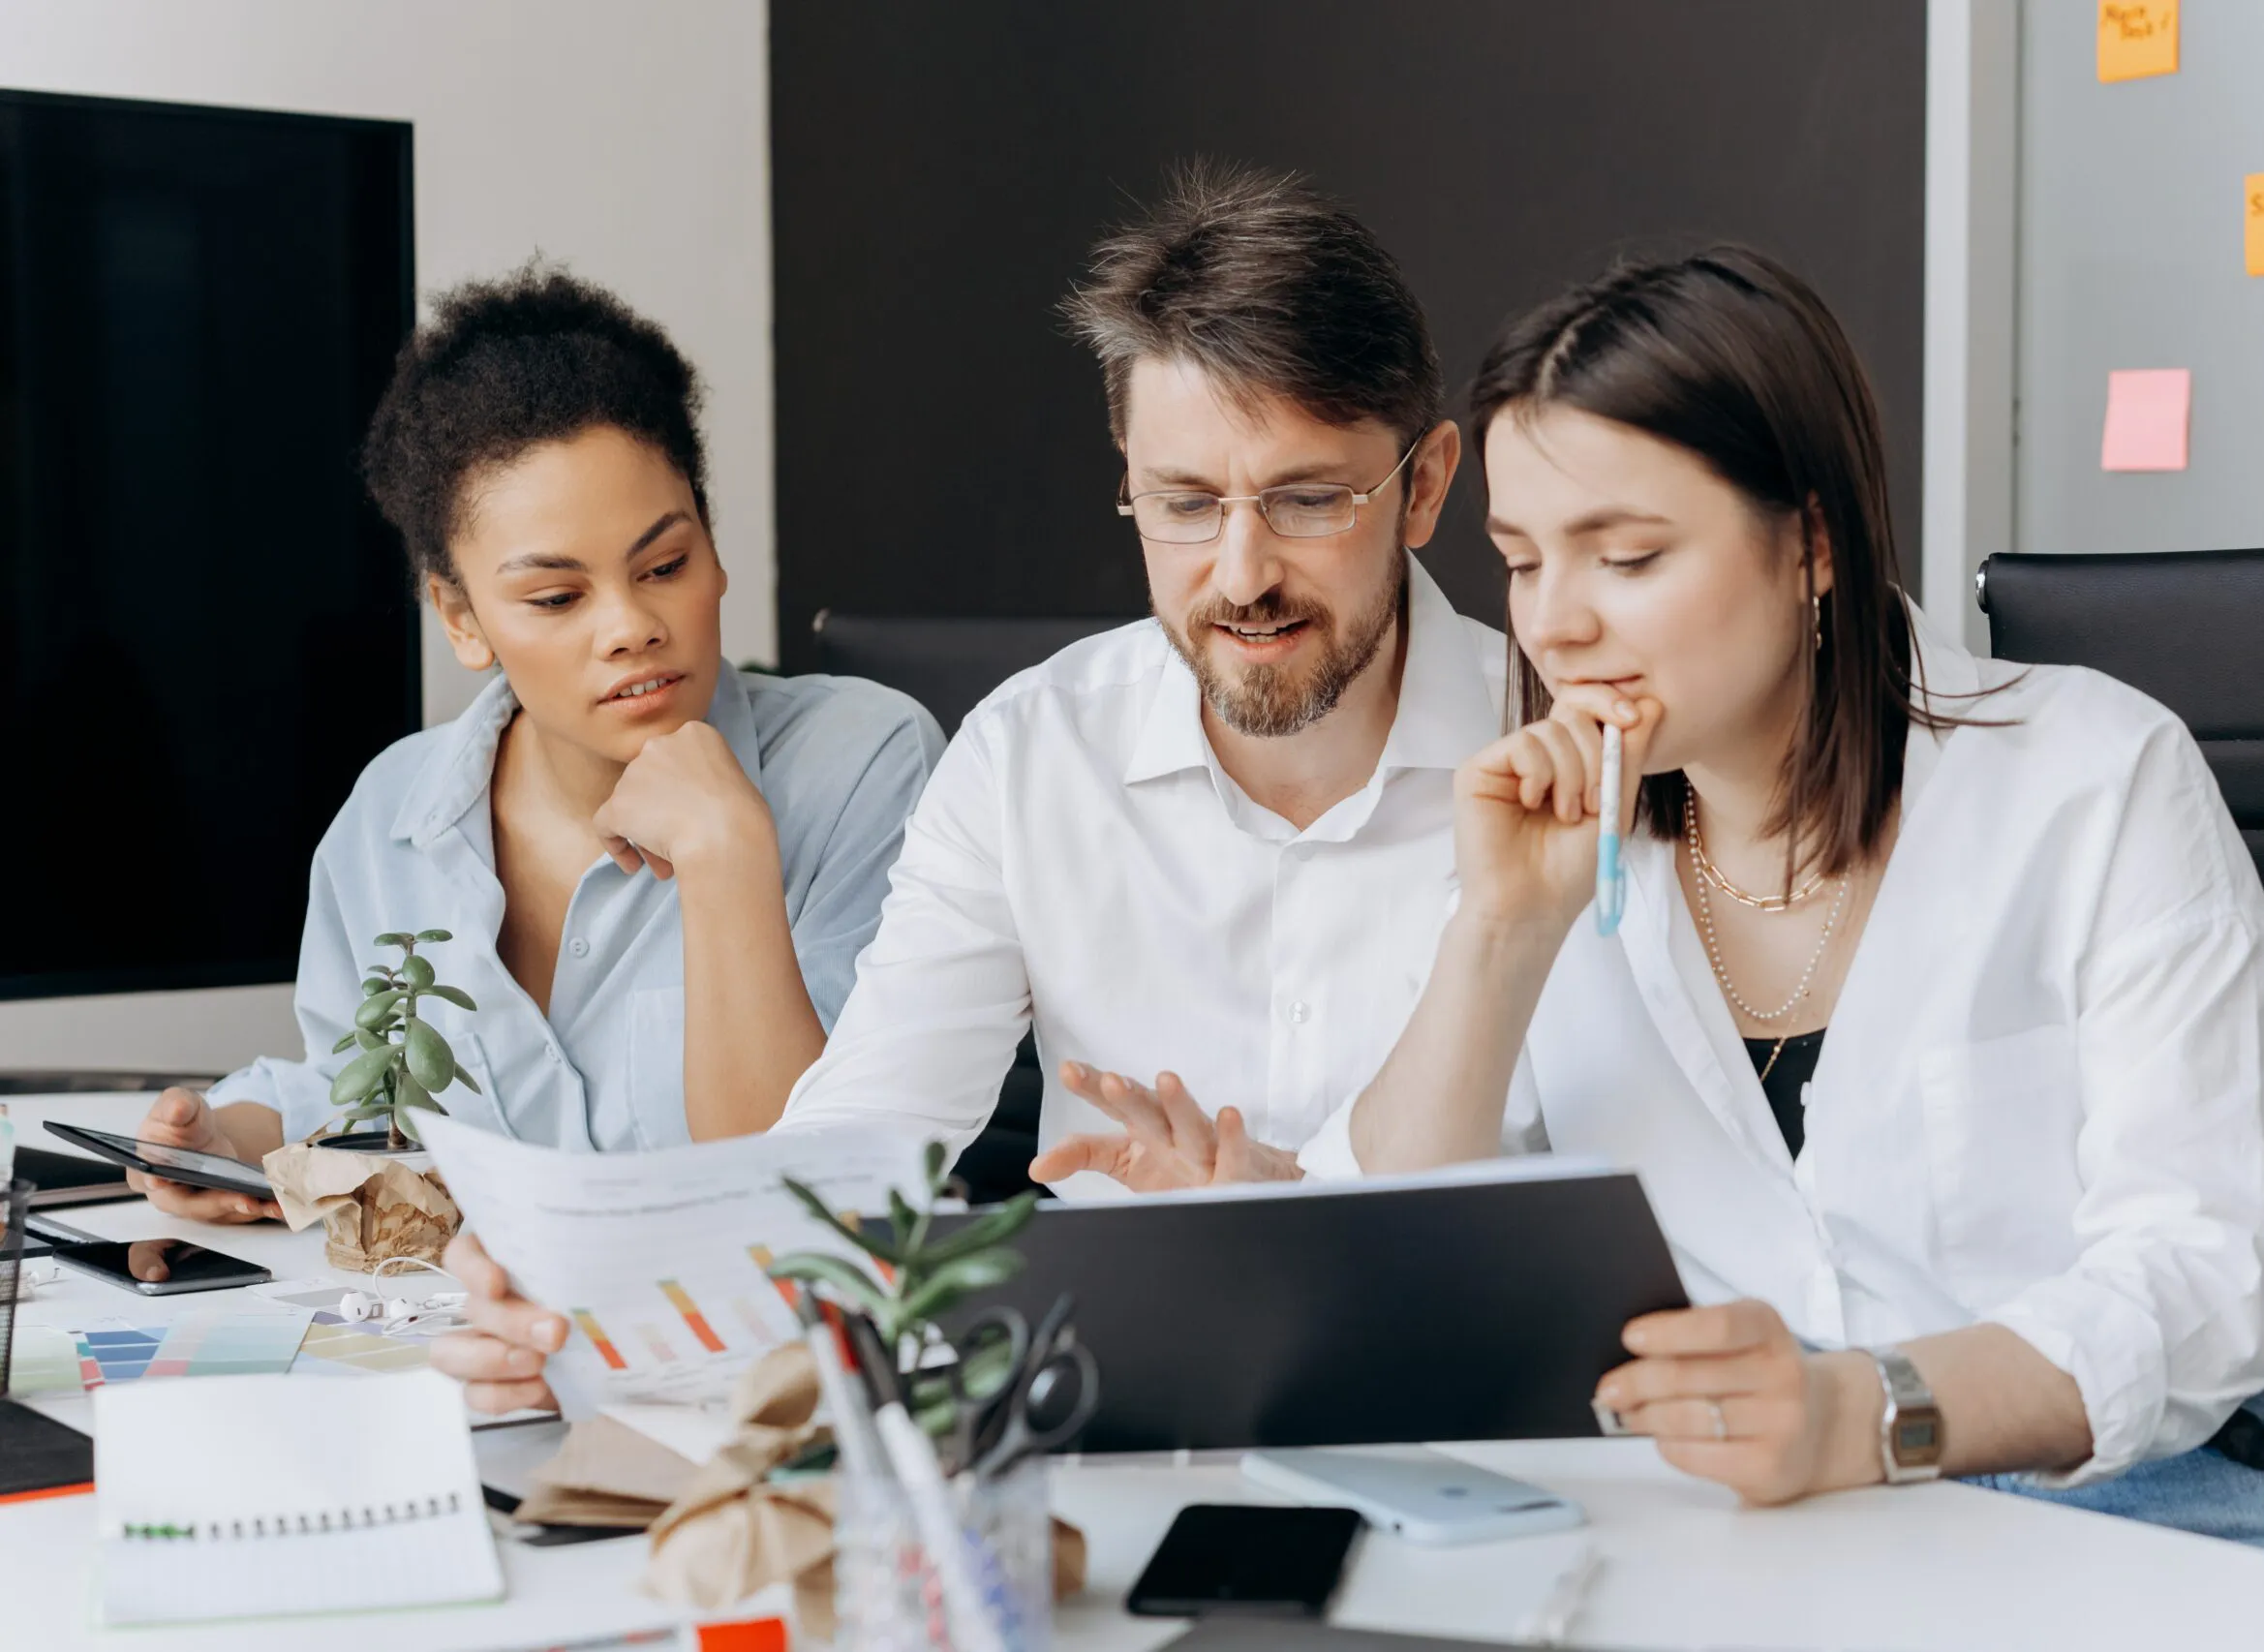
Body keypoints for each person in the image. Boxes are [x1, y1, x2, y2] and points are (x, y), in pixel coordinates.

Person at [1065, 248, 2264, 1540]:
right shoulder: (1552, 833)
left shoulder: (2089, 779)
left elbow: (2205, 1277)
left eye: (1624, 557)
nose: (1555, 626)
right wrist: (1499, 935)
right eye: (1521, 562)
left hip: (2103, 1524)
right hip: (1718, 1531)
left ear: (1810, 541)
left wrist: (1860, 1409)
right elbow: (1410, 1231)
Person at [436, 165, 1503, 1412]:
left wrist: (1294, 1223)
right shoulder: (1030, 750)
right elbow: (854, 1159)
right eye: (1182, 503)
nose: (1240, 571)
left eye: (1308, 499)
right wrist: (580, 1290)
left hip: (1502, 1422)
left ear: (1423, 486)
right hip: (1114, 1424)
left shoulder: (1574, 752)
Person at [125, 264, 941, 1223]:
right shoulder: (395, 812)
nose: (630, 624)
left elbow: (797, 1201)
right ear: (461, 618)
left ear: (713, 553)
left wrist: (726, 855)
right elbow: (361, 1092)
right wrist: (235, 1144)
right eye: (557, 597)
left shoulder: (864, 761)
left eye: (665, 563)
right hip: (480, 1349)